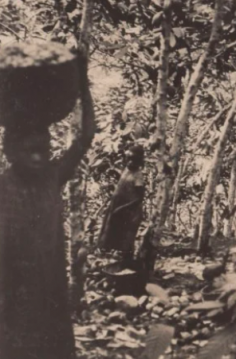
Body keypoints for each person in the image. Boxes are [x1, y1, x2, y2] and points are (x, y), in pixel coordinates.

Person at [0, 54, 95, 359]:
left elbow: (84, 138)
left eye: (45, 150)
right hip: (11, 291)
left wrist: (83, 83)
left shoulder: (52, 177)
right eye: (31, 151)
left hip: (48, 285)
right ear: (11, 151)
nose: (40, 158)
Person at [98, 144, 145, 262]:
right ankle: (115, 262)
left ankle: (127, 266)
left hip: (129, 212)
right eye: (128, 158)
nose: (130, 161)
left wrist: (122, 208)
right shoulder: (127, 170)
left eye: (133, 159)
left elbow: (139, 198)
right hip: (118, 207)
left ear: (138, 161)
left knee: (126, 240)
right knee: (112, 236)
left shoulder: (138, 175)